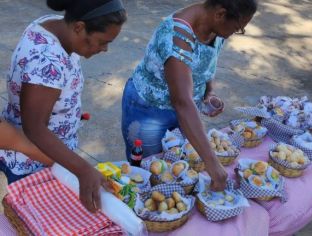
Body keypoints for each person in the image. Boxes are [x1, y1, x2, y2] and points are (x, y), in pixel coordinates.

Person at [0, 0, 127, 213]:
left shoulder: (53, 25)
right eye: (102, 42)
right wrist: (83, 170)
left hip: (53, 155)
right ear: (79, 27)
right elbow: (34, 128)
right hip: (34, 163)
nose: (105, 49)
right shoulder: (47, 60)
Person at [121, 0, 257, 191]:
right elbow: (182, 102)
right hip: (149, 111)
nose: (236, 32)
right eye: (238, 27)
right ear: (220, 14)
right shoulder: (176, 36)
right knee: (151, 174)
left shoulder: (214, 28)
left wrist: (208, 92)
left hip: (183, 111)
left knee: (177, 168)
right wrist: (214, 166)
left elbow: (205, 64)